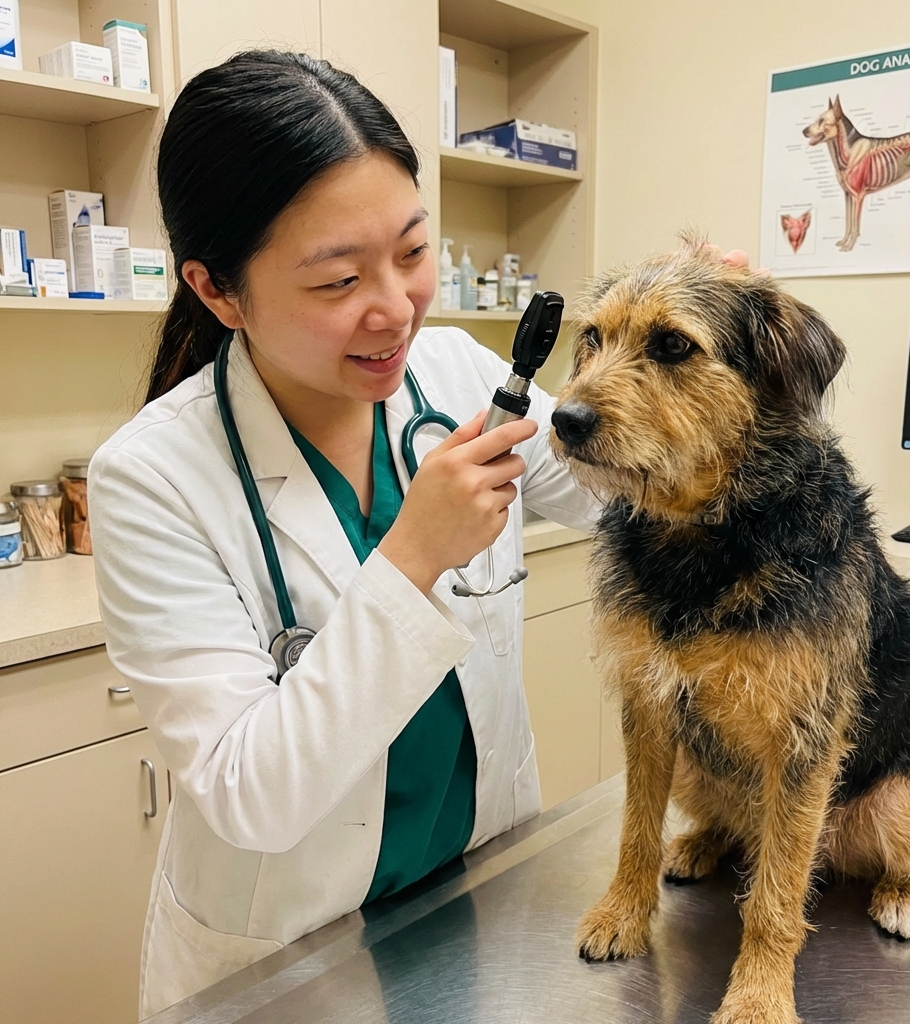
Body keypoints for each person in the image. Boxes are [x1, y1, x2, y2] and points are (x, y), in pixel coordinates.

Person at [90, 49, 752, 1018]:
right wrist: (413, 556)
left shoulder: (450, 375)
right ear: (218, 290)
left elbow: (639, 497)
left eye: (409, 251)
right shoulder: (151, 477)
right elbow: (249, 796)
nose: (395, 308)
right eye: (335, 280)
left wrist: (703, 370)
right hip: (291, 954)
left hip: (478, 890)